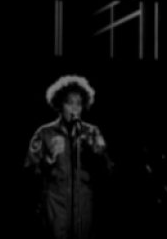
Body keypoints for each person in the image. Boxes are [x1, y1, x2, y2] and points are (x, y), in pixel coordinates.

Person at [24, 74, 113, 239]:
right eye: (69, 103)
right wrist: (47, 161)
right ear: (59, 104)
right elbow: (28, 172)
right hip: (55, 205)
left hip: (84, 205)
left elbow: (109, 172)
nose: (74, 109)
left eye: (79, 104)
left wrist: (97, 155)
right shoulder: (44, 133)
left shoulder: (92, 132)